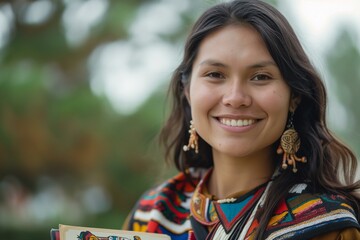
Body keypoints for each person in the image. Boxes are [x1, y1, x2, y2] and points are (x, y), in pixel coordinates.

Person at [122, 0, 360, 239]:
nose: (235, 98)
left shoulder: (328, 226)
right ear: (187, 90)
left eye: (260, 76)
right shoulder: (152, 214)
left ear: (294, 96)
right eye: (215, 74)